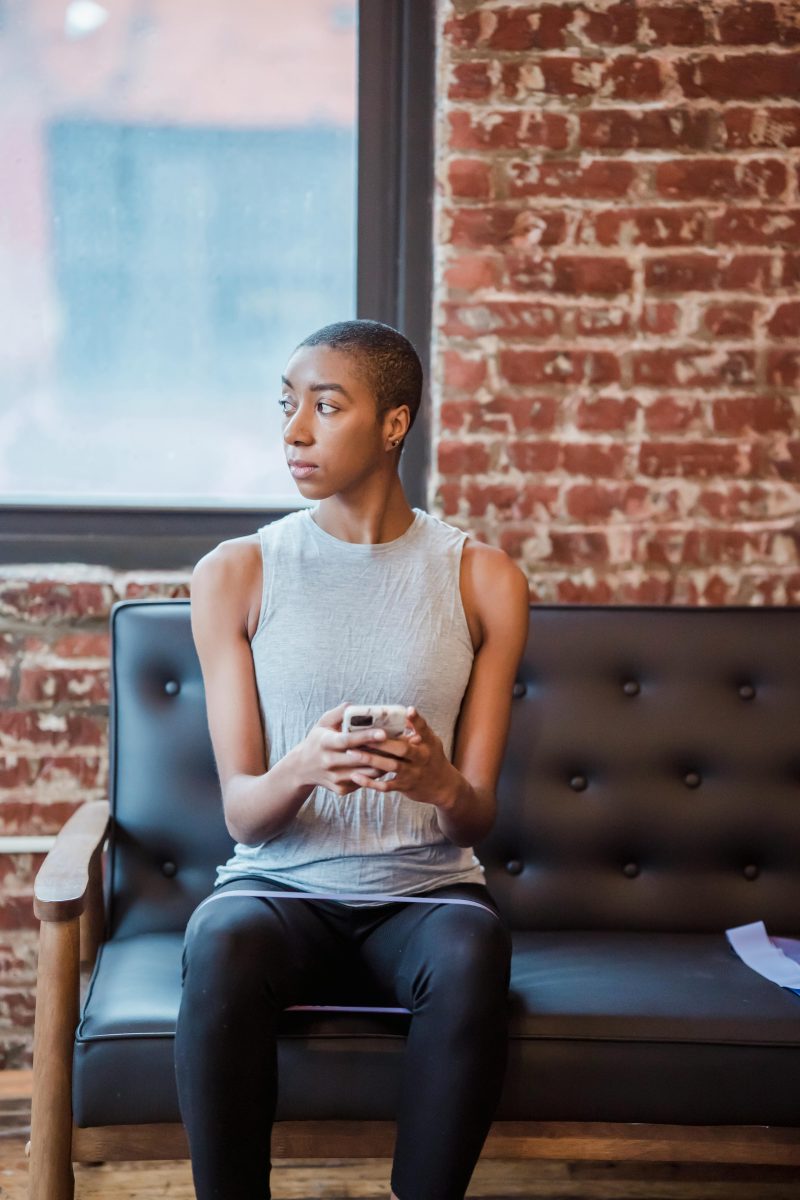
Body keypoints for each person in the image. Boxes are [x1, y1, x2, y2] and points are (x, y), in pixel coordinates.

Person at [174, 318, 530, 1200]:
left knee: (471, 949)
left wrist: (439, 781)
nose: (294, 430)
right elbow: (242, 815)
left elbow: (477, 815)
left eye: (326, 407)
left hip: (426, 895)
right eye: (287, 406)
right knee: (218, 939)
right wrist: (303, 767)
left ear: (394, 423)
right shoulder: (236, 573)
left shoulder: (483, 579)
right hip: (279, 891)